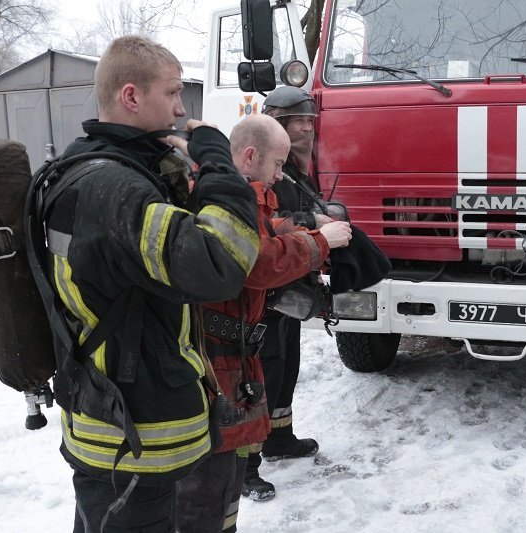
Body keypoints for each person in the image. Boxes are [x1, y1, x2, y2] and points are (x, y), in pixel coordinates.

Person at [49, 35, 262, 532]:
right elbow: (221, 261)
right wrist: (217, 157)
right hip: (133, 439)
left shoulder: (98, 170)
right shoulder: (112, 187)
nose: (181, 107)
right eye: (171, 93)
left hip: (117, 425)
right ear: (131, 97)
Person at [175, 114, 352, 532]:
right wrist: (319, 242)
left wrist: (303, 225)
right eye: (277, 164)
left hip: (235, 352)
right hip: (218, 357)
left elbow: (261, 234)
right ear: (250, 155)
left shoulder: (237, 197)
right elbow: (255, 261)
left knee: (228, 476)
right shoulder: (223, 197)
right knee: (210, 483)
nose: (280, 175)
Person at [241, 86, 330, 501]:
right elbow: (264, 226)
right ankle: (245, 467)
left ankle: (279, 437)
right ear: (276, 120)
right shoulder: (260, 168)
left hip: (289, 286)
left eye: (311, 122)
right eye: (299, 122)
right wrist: (311, 222)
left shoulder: (295, 166)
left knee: (285, 366)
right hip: (263, 294)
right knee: (259, 376)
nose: (308, 129)